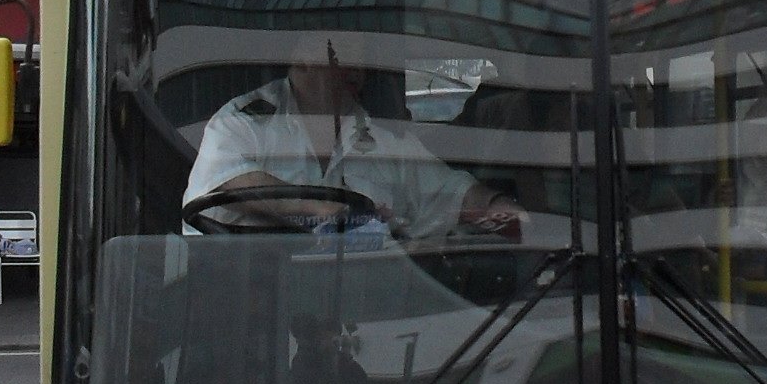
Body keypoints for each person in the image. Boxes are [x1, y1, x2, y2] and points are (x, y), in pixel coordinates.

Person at [183, 33, 519, 240]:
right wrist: (324, 209)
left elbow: (450, 192)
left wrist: (501, 210)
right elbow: (232, 180)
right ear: (302, 57)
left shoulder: (386, 142)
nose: (355, 68)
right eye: (341, 53)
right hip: (249, 308)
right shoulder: (244, 122)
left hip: (364, 318)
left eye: (362, 59)